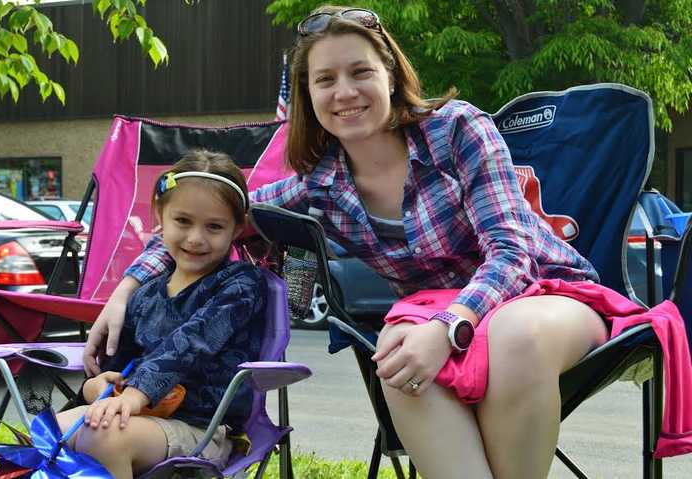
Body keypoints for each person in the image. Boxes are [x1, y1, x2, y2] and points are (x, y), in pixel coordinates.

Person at [83, 6, 609, 478]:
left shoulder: (456, 130)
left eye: (360, 72)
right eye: (325, 79)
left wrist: (450, 326)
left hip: (546, 298)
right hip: (433, 322)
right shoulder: (322, 182)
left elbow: (513, 252)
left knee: (508, 335)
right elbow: (214, 214)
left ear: (391, 75)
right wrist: (127, 288)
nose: (345, 92)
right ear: (308, 96)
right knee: (396, 354)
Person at [62, 150, 266, 479]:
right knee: (53, 431)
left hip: (205, 428)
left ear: (237, 227)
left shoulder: (241, 284)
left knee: (103, 437)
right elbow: (120, 363)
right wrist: (98, 386)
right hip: (142, 417)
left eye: (214, 226)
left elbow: (192, 341)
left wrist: (133, 396)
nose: (196, 238)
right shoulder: (145, 294)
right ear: (160, 214)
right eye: (183, 221)